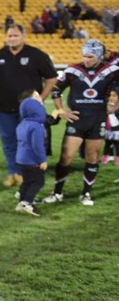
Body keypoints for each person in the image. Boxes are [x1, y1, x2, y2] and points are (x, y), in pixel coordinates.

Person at [43, 39, 119, 207]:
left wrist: (114, 106)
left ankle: (86, 193)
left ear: (99, 55)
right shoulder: (72, 70)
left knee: (92, 156)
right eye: (84, 56)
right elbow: (56, 90)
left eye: (90, 56)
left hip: (97, 119)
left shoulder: (112, 70)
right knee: (66, 156)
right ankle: (57, 192)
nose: (86, 59)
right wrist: (62, 111)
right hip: (77, 120)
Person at [0, 25, 57, 187]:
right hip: (4, 109)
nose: (12, 39)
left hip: (30, 111)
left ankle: (27, 173)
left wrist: (40, 99)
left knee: (29, 142)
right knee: (9, 142)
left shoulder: (37, 55)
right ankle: (13, 173)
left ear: (23, 36)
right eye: (9, 36)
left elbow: (51, 79)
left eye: (15, 36)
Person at [14, 91, 49, 216]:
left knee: (27, 181)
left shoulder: (22, 124)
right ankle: (27, 202)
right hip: (32, 160)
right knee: (38, 182)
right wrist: (42, 159)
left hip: (21, 159)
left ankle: (21, 202)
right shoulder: (36, 126)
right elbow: (37, 145)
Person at [103, 86, 119, 164]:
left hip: (117, 130)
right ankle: (105, 157)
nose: (111, 97)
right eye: (110, 95)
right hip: (108, 129)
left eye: (114, 95)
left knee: (117, 144)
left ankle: (117, 159)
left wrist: (111, 113)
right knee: (107, 144)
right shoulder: (107, 105)